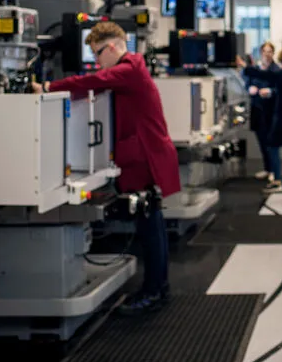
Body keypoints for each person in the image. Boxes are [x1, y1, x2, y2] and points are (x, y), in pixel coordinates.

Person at [30, 22, 180, 315]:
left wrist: (47, 87)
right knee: (152, 223)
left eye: (98, 54)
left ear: (112, 47)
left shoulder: (129, 69)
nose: (97, 62)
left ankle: (154, 291)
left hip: (144, 156)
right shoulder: (132, 67)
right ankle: (158, 287)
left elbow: (93, 81)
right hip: (144, 153)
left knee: (150, 226)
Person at [236, 48, 282, 193]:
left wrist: (244, 66)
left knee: (272, 146)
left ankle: (277, 180)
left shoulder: (280, 75)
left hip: (281, 117)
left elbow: (261, 74)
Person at [244, 42, 282, 183]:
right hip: (257, 110)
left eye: (269, 51)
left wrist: (270, 91)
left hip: (271, 111)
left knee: (270, 143)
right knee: (261, 141)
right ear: (261, 53)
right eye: (265, 51)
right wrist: (250, 88)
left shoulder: (277, 70)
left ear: (273, 53)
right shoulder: (255, 69)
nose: (267, 54)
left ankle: (274, 171)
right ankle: (267, 169)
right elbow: (248, 83)